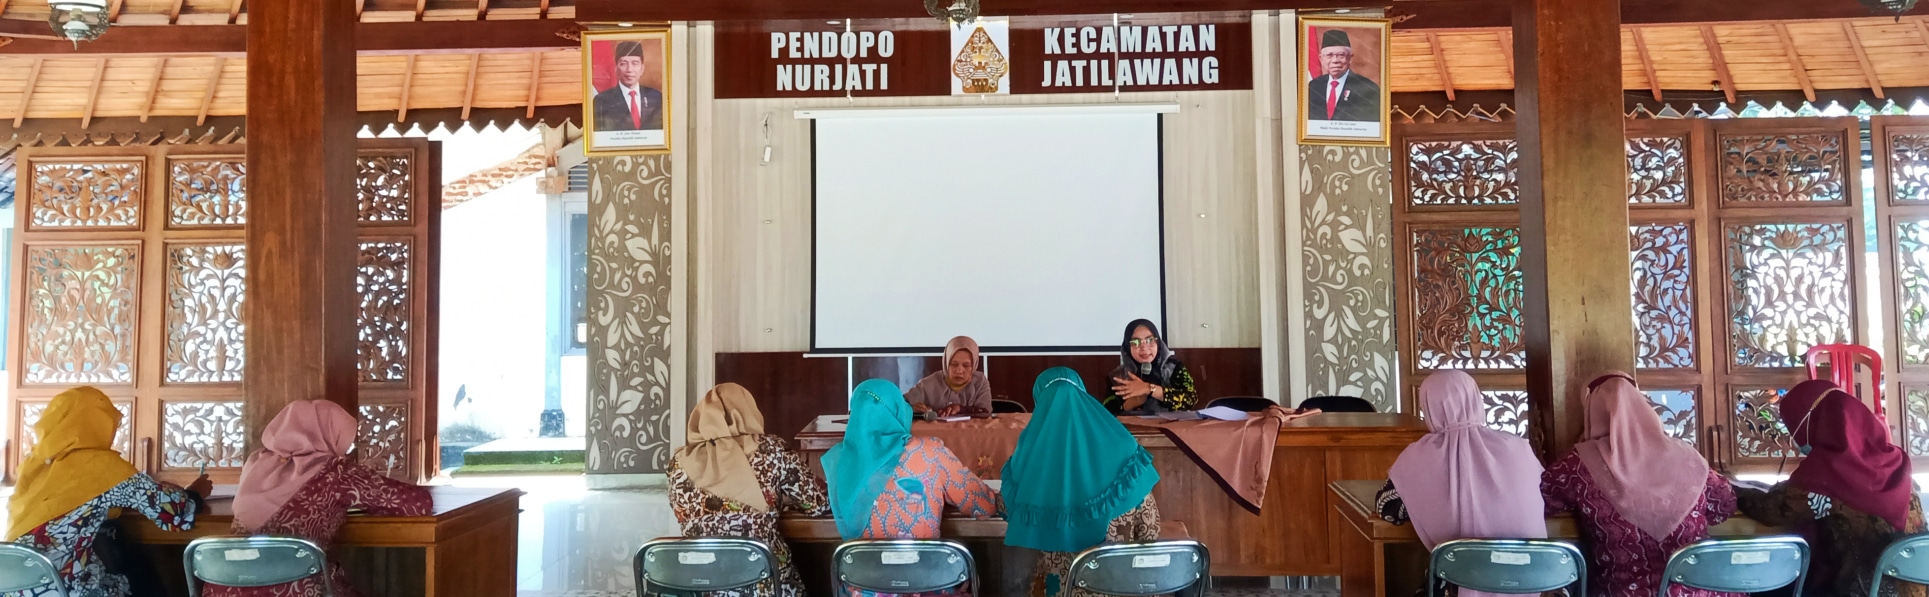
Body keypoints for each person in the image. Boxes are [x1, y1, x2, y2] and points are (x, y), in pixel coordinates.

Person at [205, 400, 432, 597]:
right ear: (329, 435)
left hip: (224, 587)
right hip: (299, 589)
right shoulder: (336, 472)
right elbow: (418, 504)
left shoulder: (255, 463)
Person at [1541, 372, 1738, 597]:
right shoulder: (1688, 454)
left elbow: (1541, 500)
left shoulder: (1579, 463)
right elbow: (1725, 505)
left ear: (1591, 411)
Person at [7, 387, 208, 597]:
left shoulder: (34, 464)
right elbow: (174, 513)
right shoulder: (102, 466)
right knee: (141, 569)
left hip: (16, 587)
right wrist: (195, 492)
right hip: (67, 588)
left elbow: (69, 506)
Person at [1734, 380, 1925, 597]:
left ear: (1814, 422)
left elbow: (1771, 510)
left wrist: (1728, 489)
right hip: (1917, 586)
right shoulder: (1896, 460)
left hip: (1861, 590)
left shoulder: (1827, 474)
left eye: (1793, 426)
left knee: (1762, 584)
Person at [823, 379, 1000, 597]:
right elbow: (984, 505)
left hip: (864, 589)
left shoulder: (838, 461)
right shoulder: (930, 452)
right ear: (899, 410)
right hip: (930, 586)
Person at [1375, 371, 1544, 597]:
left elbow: (1388, 510)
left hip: (1455, 585)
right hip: (1531, 581)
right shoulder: (1517, 448)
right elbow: (1545, 495)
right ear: (1476, 400)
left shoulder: (1417, 457)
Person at [1003, 368, 1160, 597]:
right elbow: (1149, 528)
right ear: (1084, 397)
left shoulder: (1026, 459)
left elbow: (1009, 519)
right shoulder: (1124, 448)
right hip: (1120, 588)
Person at [665, 383, 831, 597]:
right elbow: (817, 504)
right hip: (764, 583)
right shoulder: (772, 450)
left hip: (700, 583)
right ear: (749, 411)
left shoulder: (677, 462)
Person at [1102, 319, 1197, 414]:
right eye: (1136, 342)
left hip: (1171, 427)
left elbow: (1191, 399)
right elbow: (1106, 413)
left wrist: (1149, 388)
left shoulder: (1174, 368)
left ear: (1158, 342)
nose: (1144, 347)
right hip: (1132, 428)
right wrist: (1129, 404)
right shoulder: (1119, 376)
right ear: (1128, 346)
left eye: (1150, 340)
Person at [904, 336, 994, 417]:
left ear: (974, 366)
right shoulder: (928, 384)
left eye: (966, 365)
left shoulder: (979, 382)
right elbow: (899, 405)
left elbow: (985, 411)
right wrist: (911, 409)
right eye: (954, 364)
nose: (959, 371)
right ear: (946, 363)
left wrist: (960, 409)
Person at [1305, 29, 1381, 122]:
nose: (1335, 60)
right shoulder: (1312, 87)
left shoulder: (1368, 89)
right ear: (1321, 59)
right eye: (1329, 55)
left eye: (1341, 55)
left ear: (1350, 58)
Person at [591, 40, 664, 132]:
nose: (629, 69)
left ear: (642, 68)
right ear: (616, 69)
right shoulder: (602, 100)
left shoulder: (656, 97)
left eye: (635, 63)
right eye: (623, 64)